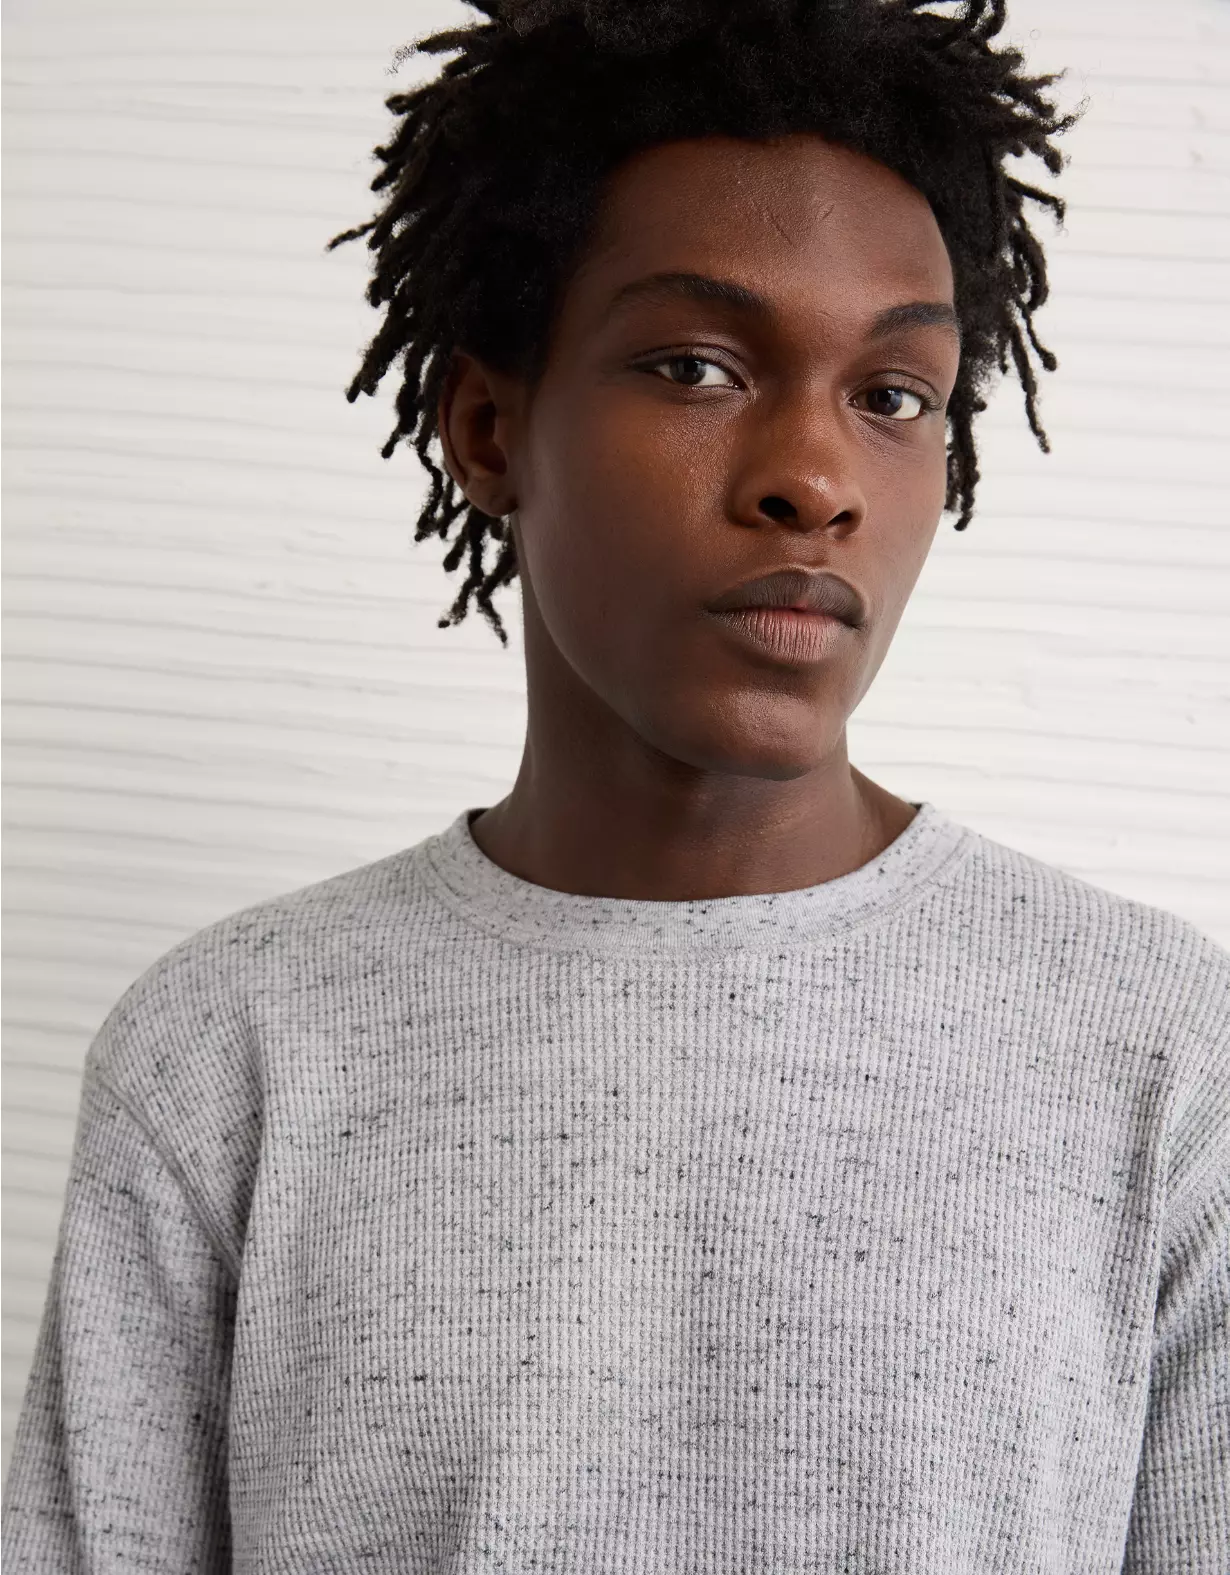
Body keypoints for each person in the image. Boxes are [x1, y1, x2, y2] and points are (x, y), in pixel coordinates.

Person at [4, 1, 1227, 1569]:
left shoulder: (1155, 1055)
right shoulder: (231, 1051)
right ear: (487, 429)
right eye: (696, 365)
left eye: (892, 393)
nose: (813, 478)